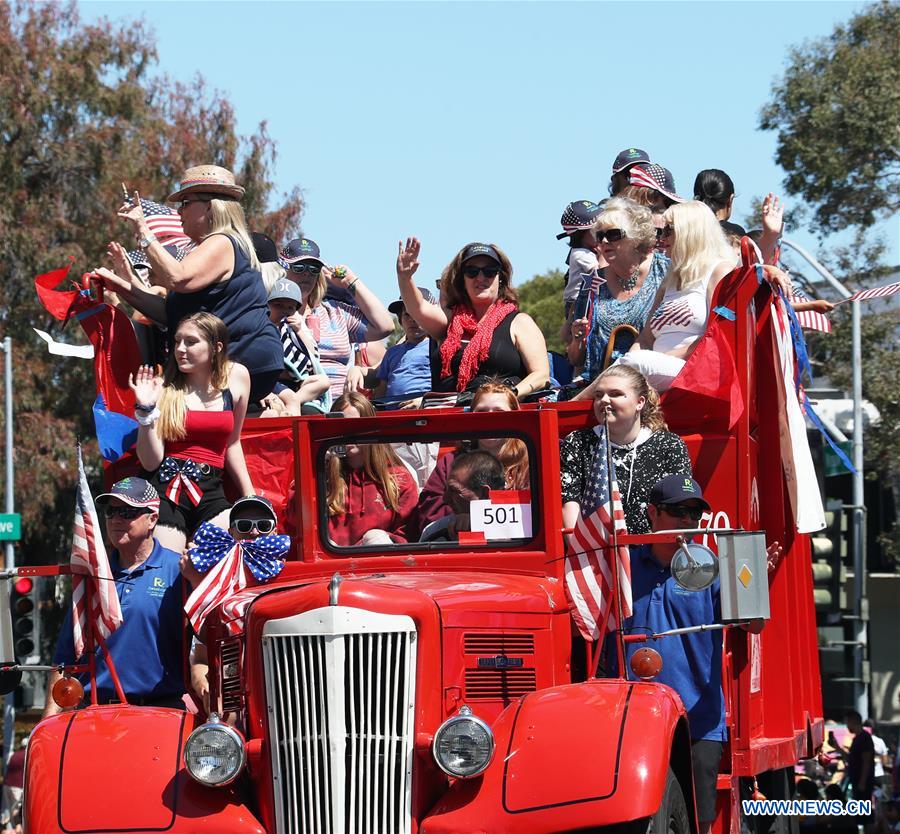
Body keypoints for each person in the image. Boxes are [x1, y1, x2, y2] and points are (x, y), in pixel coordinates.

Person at [96, 165, 283, 402]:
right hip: (221, 361)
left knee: (161, 409)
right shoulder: (209, 249)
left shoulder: (223, 241)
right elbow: (168, 313)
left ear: (210, 206)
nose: (179, 212)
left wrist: (144, 230)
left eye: (185, 203)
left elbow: (177, 277)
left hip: (240, 359)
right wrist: (119, 284)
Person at [615, 475, 723, 834]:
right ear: (652, 512)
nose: (687, 520)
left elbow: (752, 626)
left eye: (694, 513)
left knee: (699, 822)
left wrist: (754, 585)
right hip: (628, 719)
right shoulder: (622, 565)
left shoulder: (710, 570)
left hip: (698, 718)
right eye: (678, 511)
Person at [45, 478, 185, 713]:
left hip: (160, 712)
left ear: (152, 519)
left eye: (128, 512)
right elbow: (65, 657)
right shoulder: (91, 575)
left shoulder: (179, 571)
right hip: (94, 712)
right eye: (111, 512)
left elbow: (203, 646)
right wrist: (47, 720)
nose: (116, 519)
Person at [130, 312, 254, 553]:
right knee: (168, 562)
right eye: (177, 341)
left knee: (229, 550)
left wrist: (250, 496)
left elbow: (232, 444)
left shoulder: (238, 377)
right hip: (165, 489)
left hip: (211, 490)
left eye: (191, 342)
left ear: (216, 347)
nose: (180, 349)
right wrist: (145, 411)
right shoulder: (162, 387)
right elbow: (150, 461)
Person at [396, 238, 549, 399]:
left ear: (500, 277)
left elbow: (541, 375)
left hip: (500, 410)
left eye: (490, 271)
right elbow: (417, 308)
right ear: (462, 280)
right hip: (449, 411)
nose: (481, 277)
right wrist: (405, 277)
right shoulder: (449, 320)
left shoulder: (520, 322)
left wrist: (508, 395)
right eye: (472, 271)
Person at [618, 200, 738, 392]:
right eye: (660, 231)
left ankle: (571, 404)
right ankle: (572, 404)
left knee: (635, 364)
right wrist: (626, 365)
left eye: (668, 230)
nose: (661, 238)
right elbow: (645, 339)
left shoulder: (719, 271)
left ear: (690, 232)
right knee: (619, 372)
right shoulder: (669, 281)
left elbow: (717, 334)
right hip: (656, 368)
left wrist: (665, 357)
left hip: (696, 369)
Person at [561, 365, 692, 534]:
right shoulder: (577, 442)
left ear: (640, 402)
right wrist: (579, 548)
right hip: (595, 548)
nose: (604, 400)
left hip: (654, 548)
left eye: (615, 394)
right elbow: (569, 504)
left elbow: (679, 508)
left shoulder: (669, 445)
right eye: (599, 395)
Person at [185, 495, 287, 709]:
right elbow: (200, 659)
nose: (254, 532)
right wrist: (204, 687)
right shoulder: (217, 582)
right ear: (231, 533)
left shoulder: (293, 578)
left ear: (275, 532)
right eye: (244, 526)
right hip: (235, 700)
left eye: (263, 525)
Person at [567, 197, 669, 384]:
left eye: (614, 234)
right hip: (601, 387)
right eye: (600, 236)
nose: (604, 241)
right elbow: (575, 359)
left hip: (654, 383)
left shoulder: (666, 271)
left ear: (636, 237)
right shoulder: (592, 283)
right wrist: (577, 340)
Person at [280, 237, 394, 398]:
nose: (307, 273)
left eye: (314, 268)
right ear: (283, 270)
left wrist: (351, 282)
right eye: (298, 267)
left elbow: (385, 326)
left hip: (342, 404)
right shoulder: (273, 313)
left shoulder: (335, 312)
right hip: (295, 402)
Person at [414, 380, 530, 535]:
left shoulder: (530, 461)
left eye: (499, 412)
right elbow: (429, 511)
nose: (489, 419)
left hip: (521, 542)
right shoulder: (450, 462)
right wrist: (456, 518)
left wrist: (477, 518)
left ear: (515, 417)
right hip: (459, 543)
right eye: (481, 412)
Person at [326, 392, 418, 546]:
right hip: (329, 559)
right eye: (340, 426)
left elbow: (408, 534)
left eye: (355, 427)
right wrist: (317, 468)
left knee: (375, 538)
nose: (347, 434)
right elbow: (296, 520)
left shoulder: (398, 478)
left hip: (377, 558)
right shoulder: (321, 474)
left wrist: (374, 541)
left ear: (370, 429)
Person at [359, 288, 436, 404]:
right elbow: (381, 389)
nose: (412, 320)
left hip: (423, 408)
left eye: (417, 314)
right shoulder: (392, 353)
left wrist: (424, 401)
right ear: (400, 319)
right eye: (407, 314)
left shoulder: (436, 348)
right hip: (393, 409)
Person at [264, 278, 331, 415]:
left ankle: (292, 401)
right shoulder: (264, 328)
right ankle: (290, 402)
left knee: (323, 381)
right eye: (278, 305)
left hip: (298, 383)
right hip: (275, 383)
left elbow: (313, 355)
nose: (285, 311)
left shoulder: (294, 328)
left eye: (290, 307)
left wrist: (299, 331)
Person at [419, 451, 506, 542]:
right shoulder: (434, 532)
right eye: (447, 490)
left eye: (454, 490)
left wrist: (477, 524)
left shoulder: (512, 532)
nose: (445, 499)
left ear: (484, 493)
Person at [557, 200, 604, 307]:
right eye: (596, 229)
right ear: (581, 234)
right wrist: (602, 256)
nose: (601, 232)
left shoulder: (588, 251)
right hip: (578, 303)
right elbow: (600, 273)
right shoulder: (580, 254)